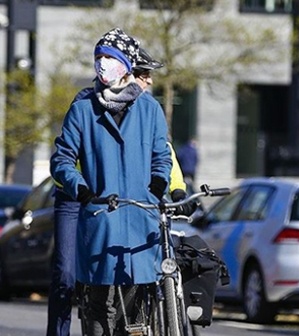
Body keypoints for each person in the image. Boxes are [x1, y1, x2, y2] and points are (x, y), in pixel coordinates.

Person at [46, 44, 195, 336]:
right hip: (93, 208)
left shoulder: (150, 109)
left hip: (138, 216)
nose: (103, 65)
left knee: (137, 300)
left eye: (109, 59)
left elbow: (163, 155)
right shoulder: (83, 108)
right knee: (70, 280)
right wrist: (82, 189)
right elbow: (62, 160)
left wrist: (169, 188)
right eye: (99, 59)